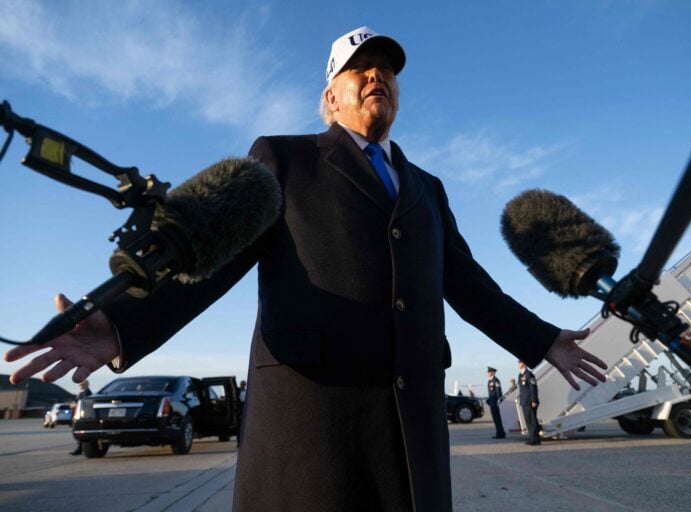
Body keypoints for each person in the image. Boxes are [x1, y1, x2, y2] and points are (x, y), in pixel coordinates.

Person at [4, 26, 607, 511]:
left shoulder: (428, 188)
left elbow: (468, 283)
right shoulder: (284, 158)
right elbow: (212, 255)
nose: (377, 76)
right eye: (359, 68)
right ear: (330, 98)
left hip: (412, 422)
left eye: (386, 69)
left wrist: (542, 339)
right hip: (316, 421)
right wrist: (121, 323)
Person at [517, 361, 541, 446]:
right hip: (524, 401)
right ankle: (532, 438)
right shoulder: (520, 375)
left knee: (533, 421)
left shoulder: (529, 375)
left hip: (530, 401)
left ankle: (536, 440)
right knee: (528, 421)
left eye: (519, 362)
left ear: (524, 363)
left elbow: (533, 388)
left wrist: (534, 400)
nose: (518, 364)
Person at [69, 380, 92, 455]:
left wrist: (75, 405)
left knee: (80, 432)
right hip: (76, 414)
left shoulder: (87, 392)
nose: (80, 385)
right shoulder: (81, 392)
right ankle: (80, 448)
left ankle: (80, 449)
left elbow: (84, 403)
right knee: (77, 432)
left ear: (86, 384)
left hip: (82, 416)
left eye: (81, 383)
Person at [486, 367, 505, 439]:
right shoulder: (489, 381)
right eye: (488, 372)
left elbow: (498, 391)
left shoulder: (495, 380)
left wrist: (499, 401)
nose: (488, 373)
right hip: (492, 403)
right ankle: (499, 432)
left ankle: (501, 433)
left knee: (498, 419)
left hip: (495, 403)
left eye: (489, 372)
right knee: (495, 419)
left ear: (493, 372)